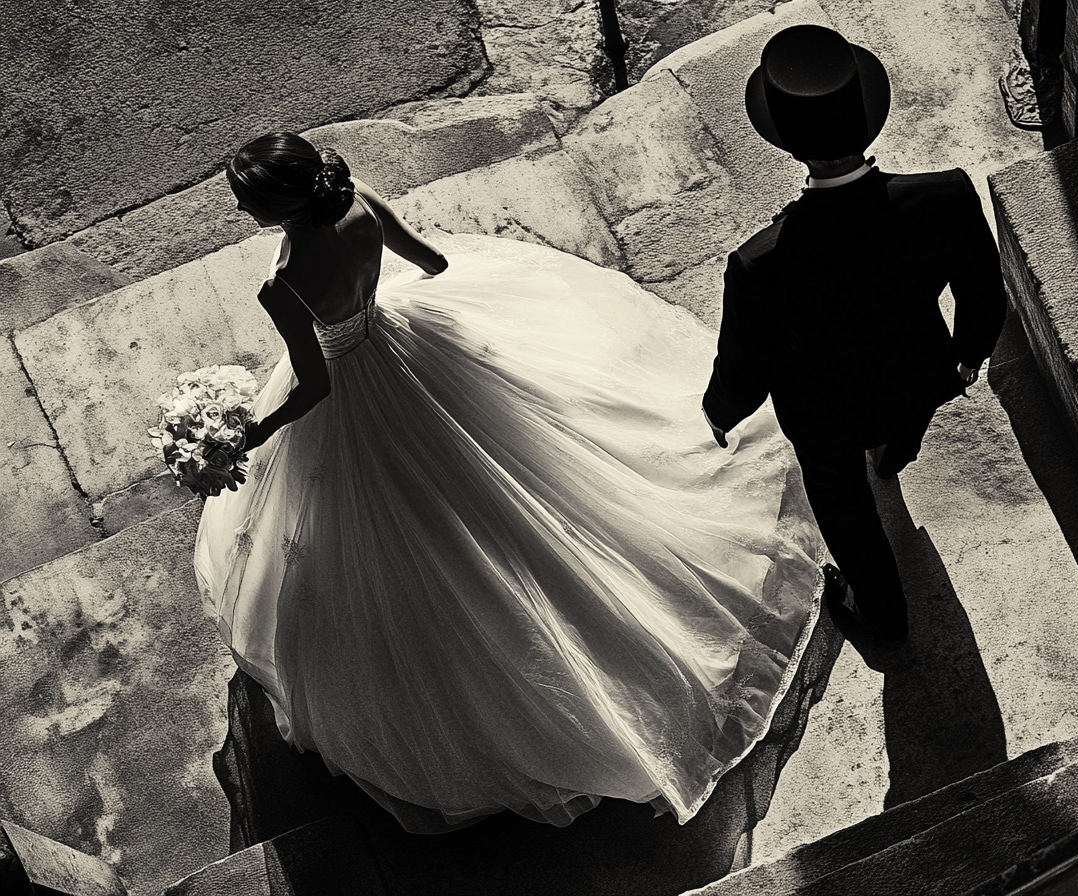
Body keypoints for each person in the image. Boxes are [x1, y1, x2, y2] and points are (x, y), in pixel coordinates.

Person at [194, 133, 825, 833]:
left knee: (405, 540)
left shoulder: (280, 287)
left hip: (355, 390)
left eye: (246, 198)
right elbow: (431, 262)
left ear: (278, 201)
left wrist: (254, 430)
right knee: (524, 486)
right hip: (410, 343)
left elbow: (312, 384)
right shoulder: (361, 203)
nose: (241, 207)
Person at [702, 25, 1007, 642]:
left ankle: (886, 618)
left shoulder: (759, 263)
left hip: (826, 418)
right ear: (869, 119)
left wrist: (721, 410)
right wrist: (967, 355)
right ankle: (896, 454)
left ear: (787, 145)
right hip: (919, 376)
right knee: (900, 427)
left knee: (845, 508)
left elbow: (747, 361)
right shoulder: (945, 197)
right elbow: (982, 292)